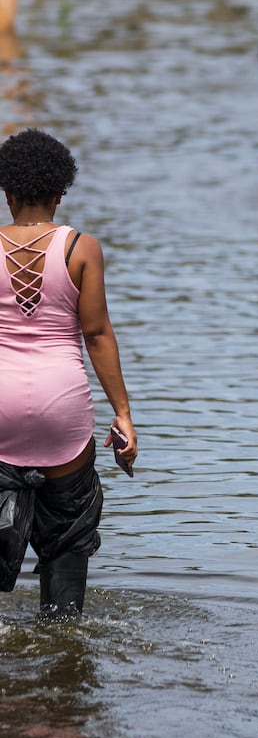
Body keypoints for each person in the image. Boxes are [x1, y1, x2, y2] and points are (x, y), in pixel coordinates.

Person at [0, 128, 137, 619]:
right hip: (64, 409)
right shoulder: (82, 249)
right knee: (67, 537)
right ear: (60, 193)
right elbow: (97, 335)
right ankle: (61, 638)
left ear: (8, 193)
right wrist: (123, 415)